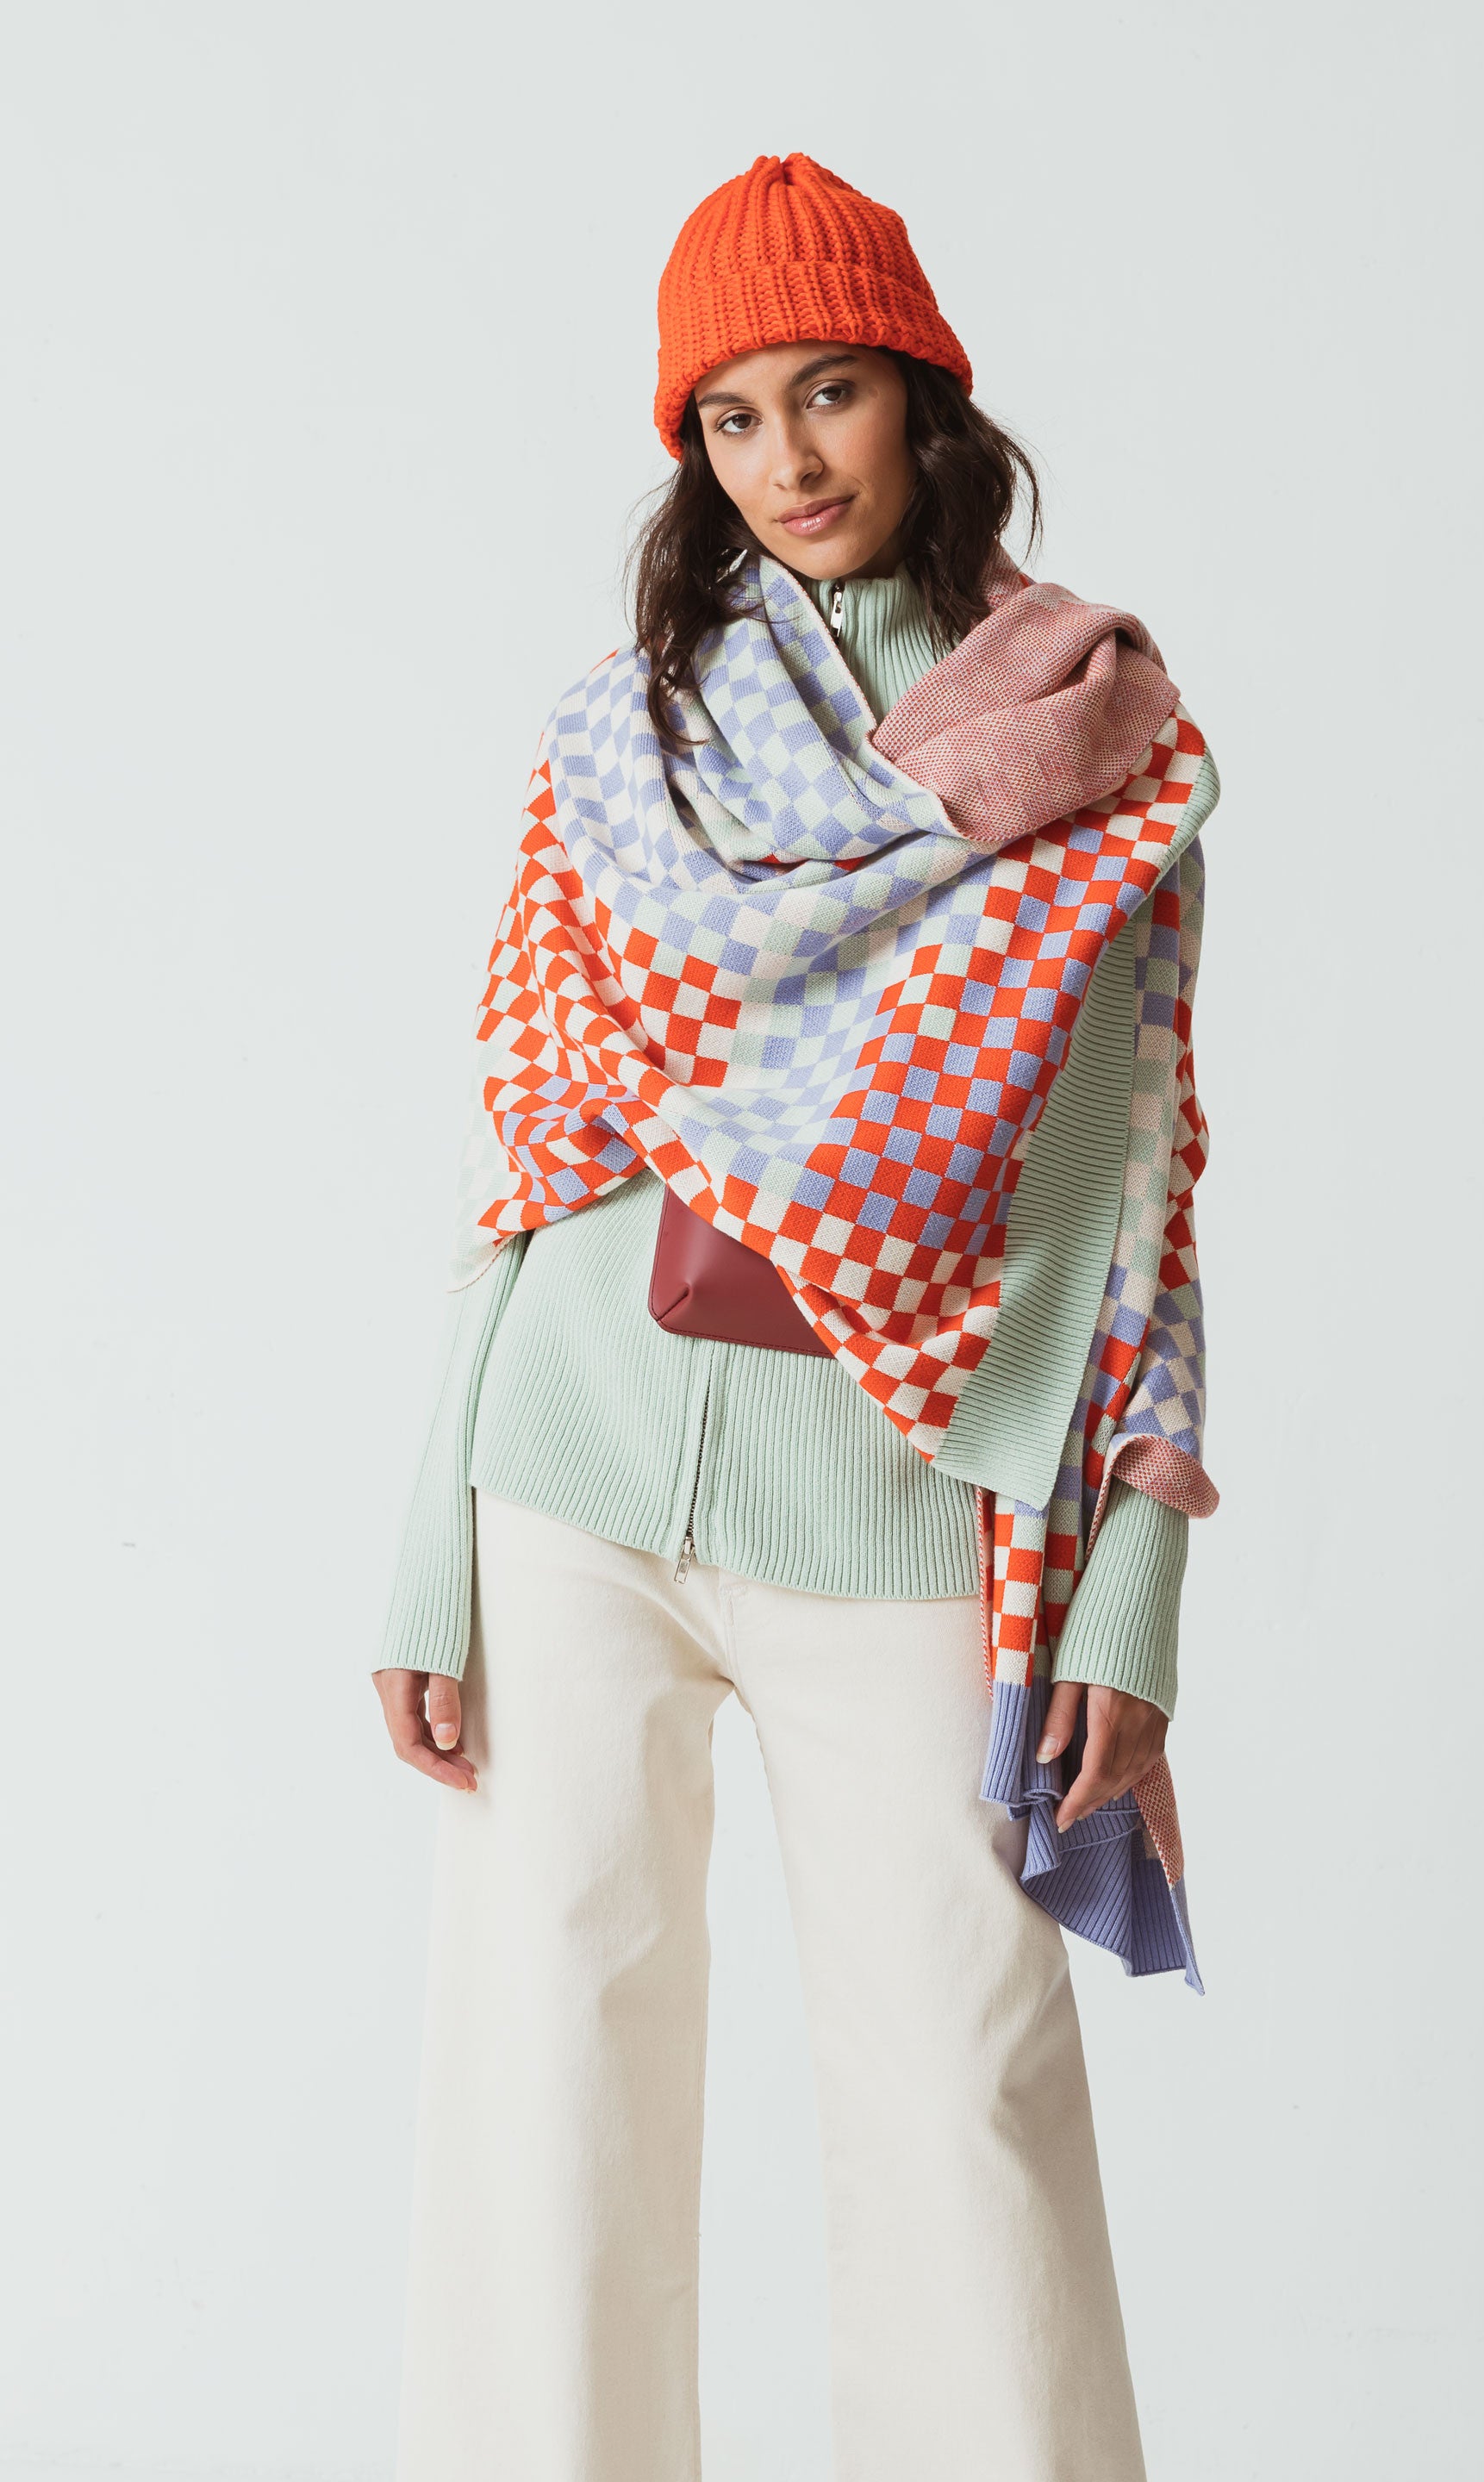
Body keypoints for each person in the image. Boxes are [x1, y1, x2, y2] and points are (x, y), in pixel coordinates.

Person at [373, 151, 1219, 2482]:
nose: (788, 460)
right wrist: (428, 1547)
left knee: (964, 2096)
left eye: (827, 391)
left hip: (907, 1498)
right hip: (573, 1480)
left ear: (924, 395)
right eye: (730, 419)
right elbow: (528, 1164)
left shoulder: (1098, 738)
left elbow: (1144, 1189)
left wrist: (1133, 1590)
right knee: (544, 2090)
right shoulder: (621, 736)